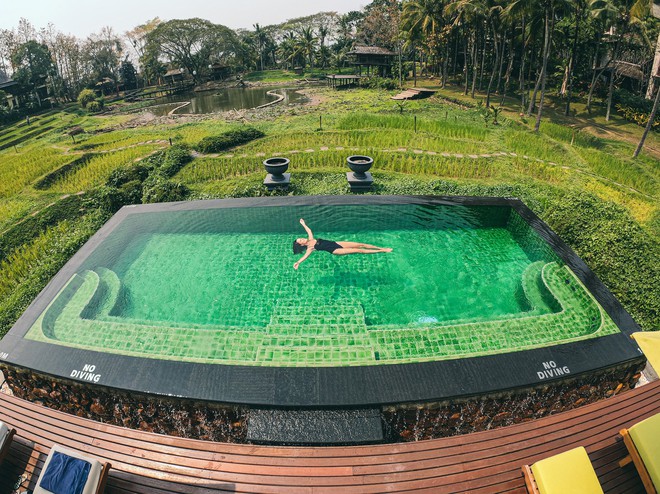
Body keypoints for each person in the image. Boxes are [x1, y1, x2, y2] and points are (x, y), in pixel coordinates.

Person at [293, 218, 392, 270]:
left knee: (360, 244)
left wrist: (303, 224)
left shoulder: (311, 238)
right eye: (300, 241)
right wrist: (298, 262)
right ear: (301, 245)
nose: (302, 239)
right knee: (359, 250)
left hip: (337, 243)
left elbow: (309, 230)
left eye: (301, 238)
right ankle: (382, 250)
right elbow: (305, 257)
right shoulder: (310, 248)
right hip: (335, 250)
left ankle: (380, 247)